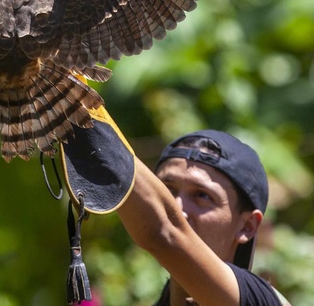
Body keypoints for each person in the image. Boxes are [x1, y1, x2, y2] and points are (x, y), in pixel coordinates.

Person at [63, 106, 289, 306]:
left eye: (202, 195)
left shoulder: (260, 300)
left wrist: (75, 105)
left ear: (248, 225)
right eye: (168, 190)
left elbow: (164, 233)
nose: (178, 208)